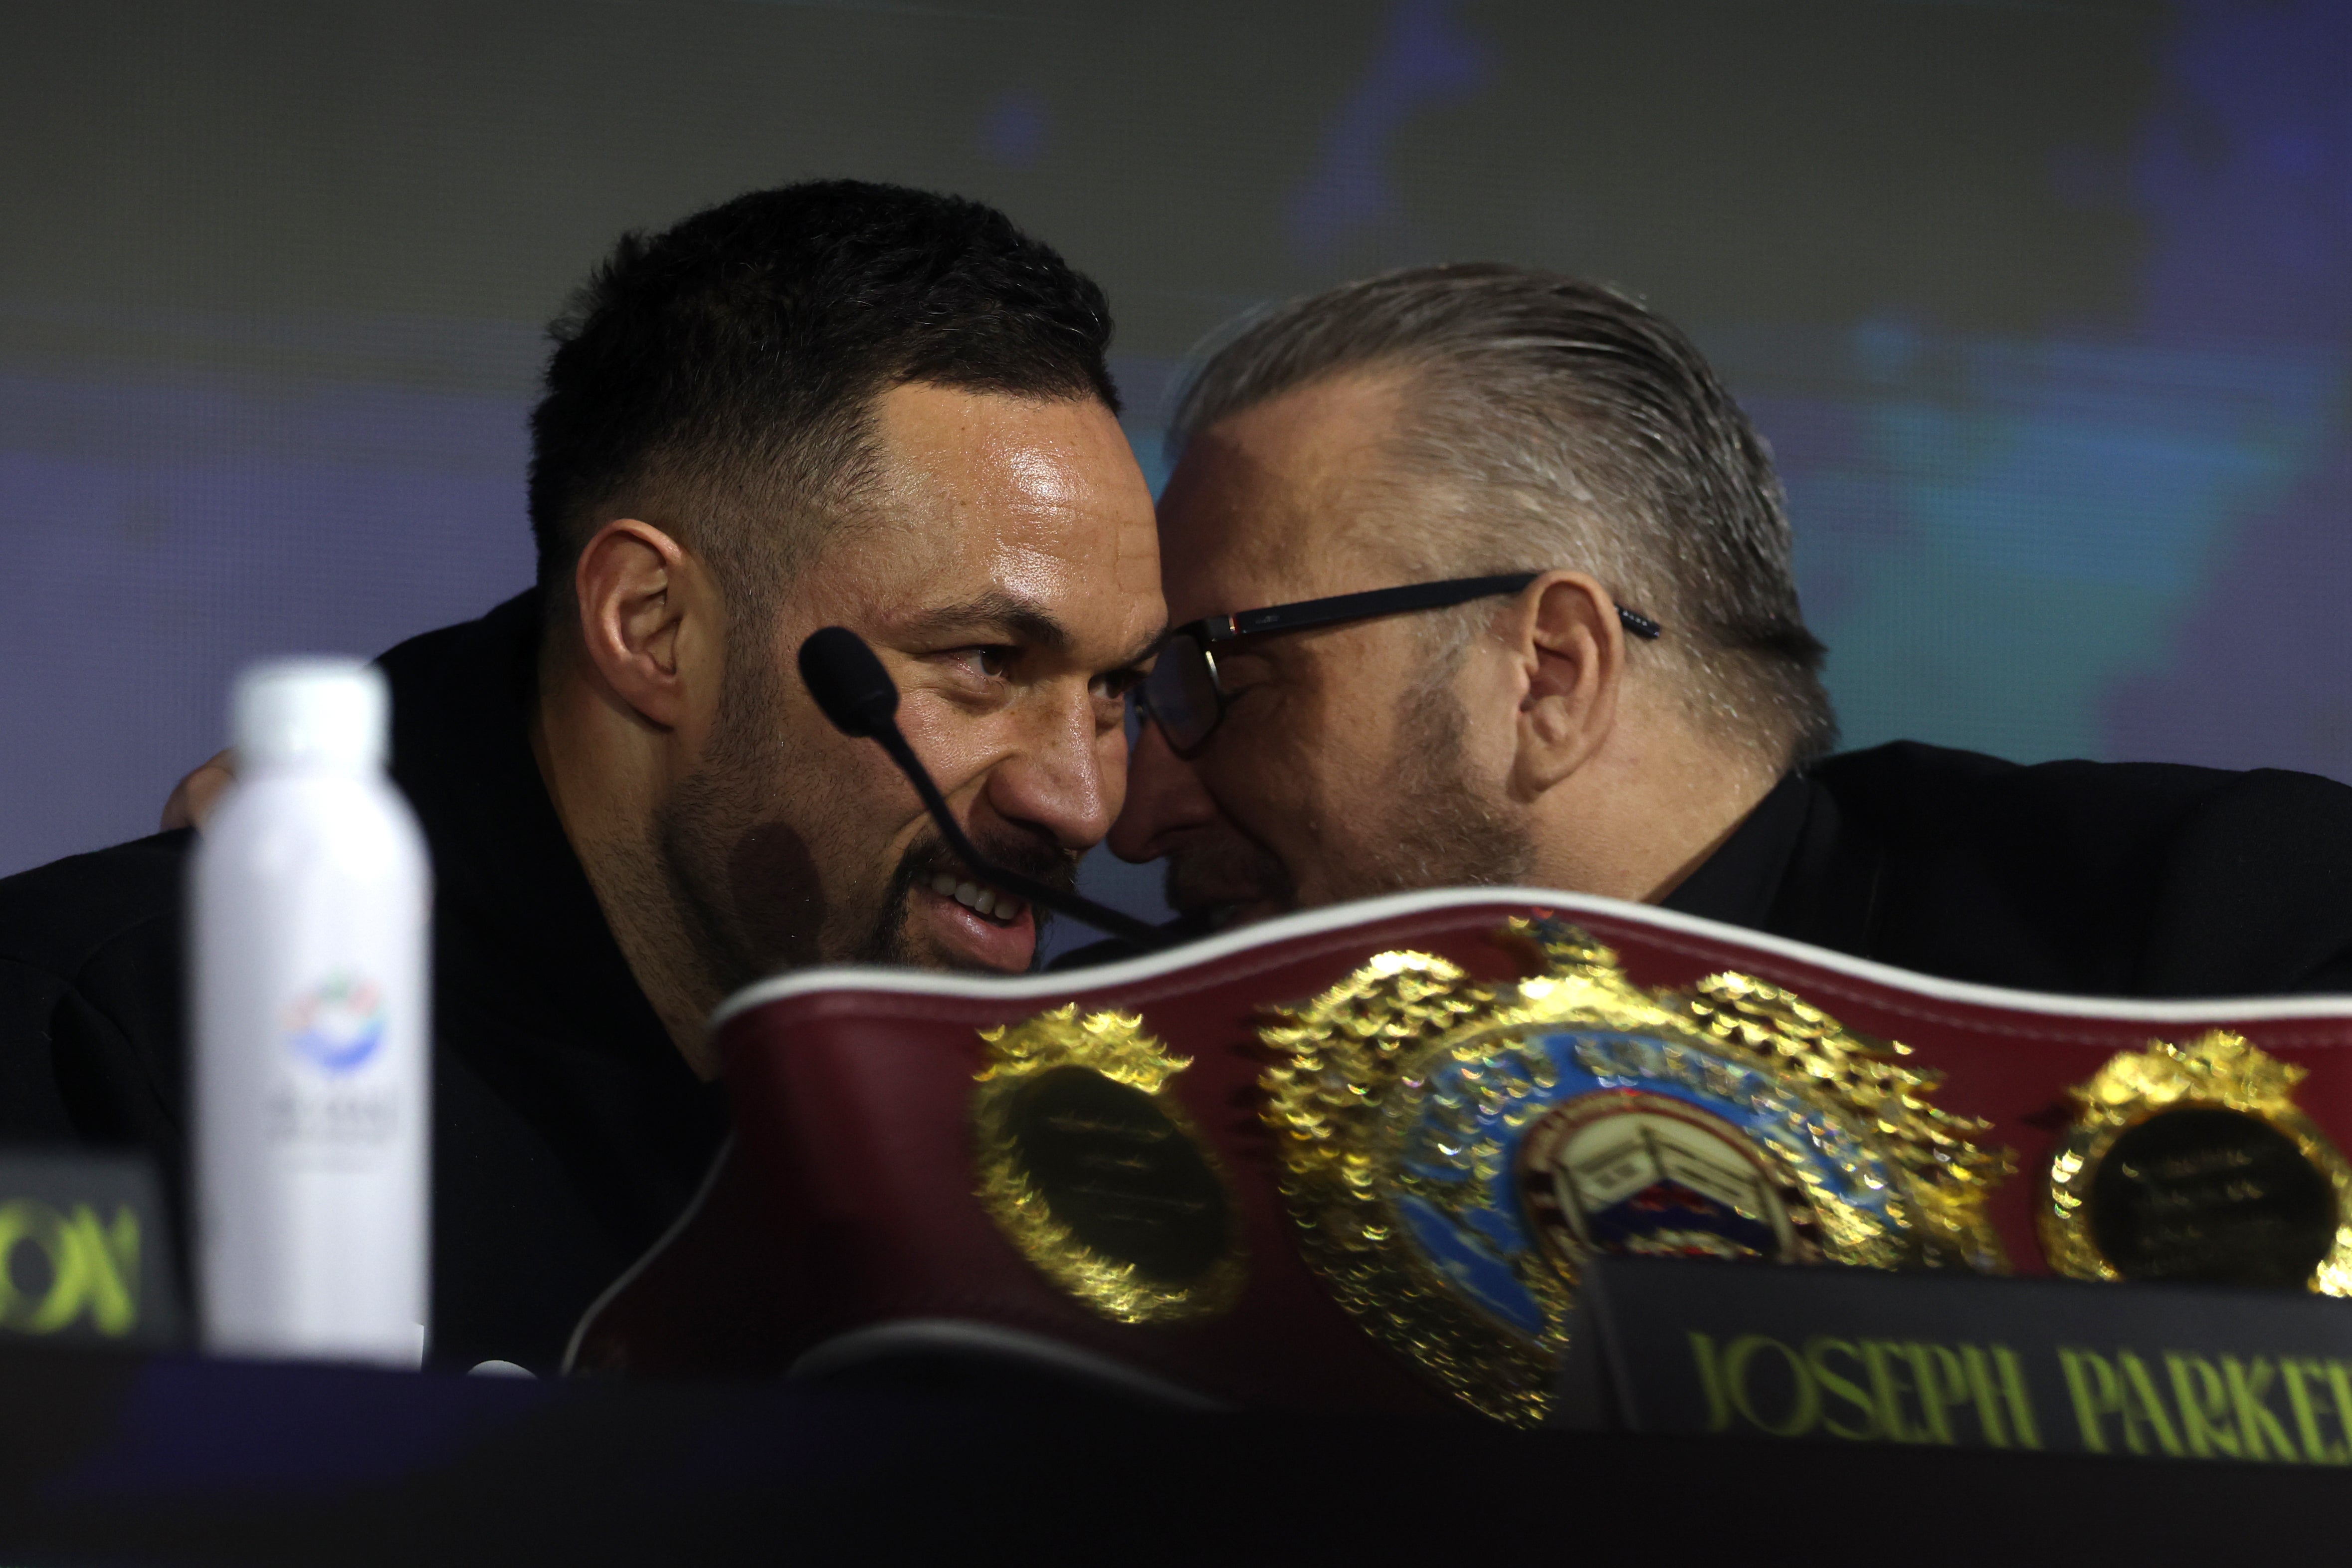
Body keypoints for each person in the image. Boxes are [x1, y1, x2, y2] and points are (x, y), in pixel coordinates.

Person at [0, 181, 1162, 1372]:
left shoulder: (1067, 1148)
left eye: (1119, 687)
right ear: (654, 628)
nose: (1082, 802)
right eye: (986, 662)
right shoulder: (95, 1046)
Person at [1105, 263, 2352, 996]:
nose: (1134, 813)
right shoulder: (1113, 1078)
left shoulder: (2222, 943)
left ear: (1550, 674)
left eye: (1214, 679)